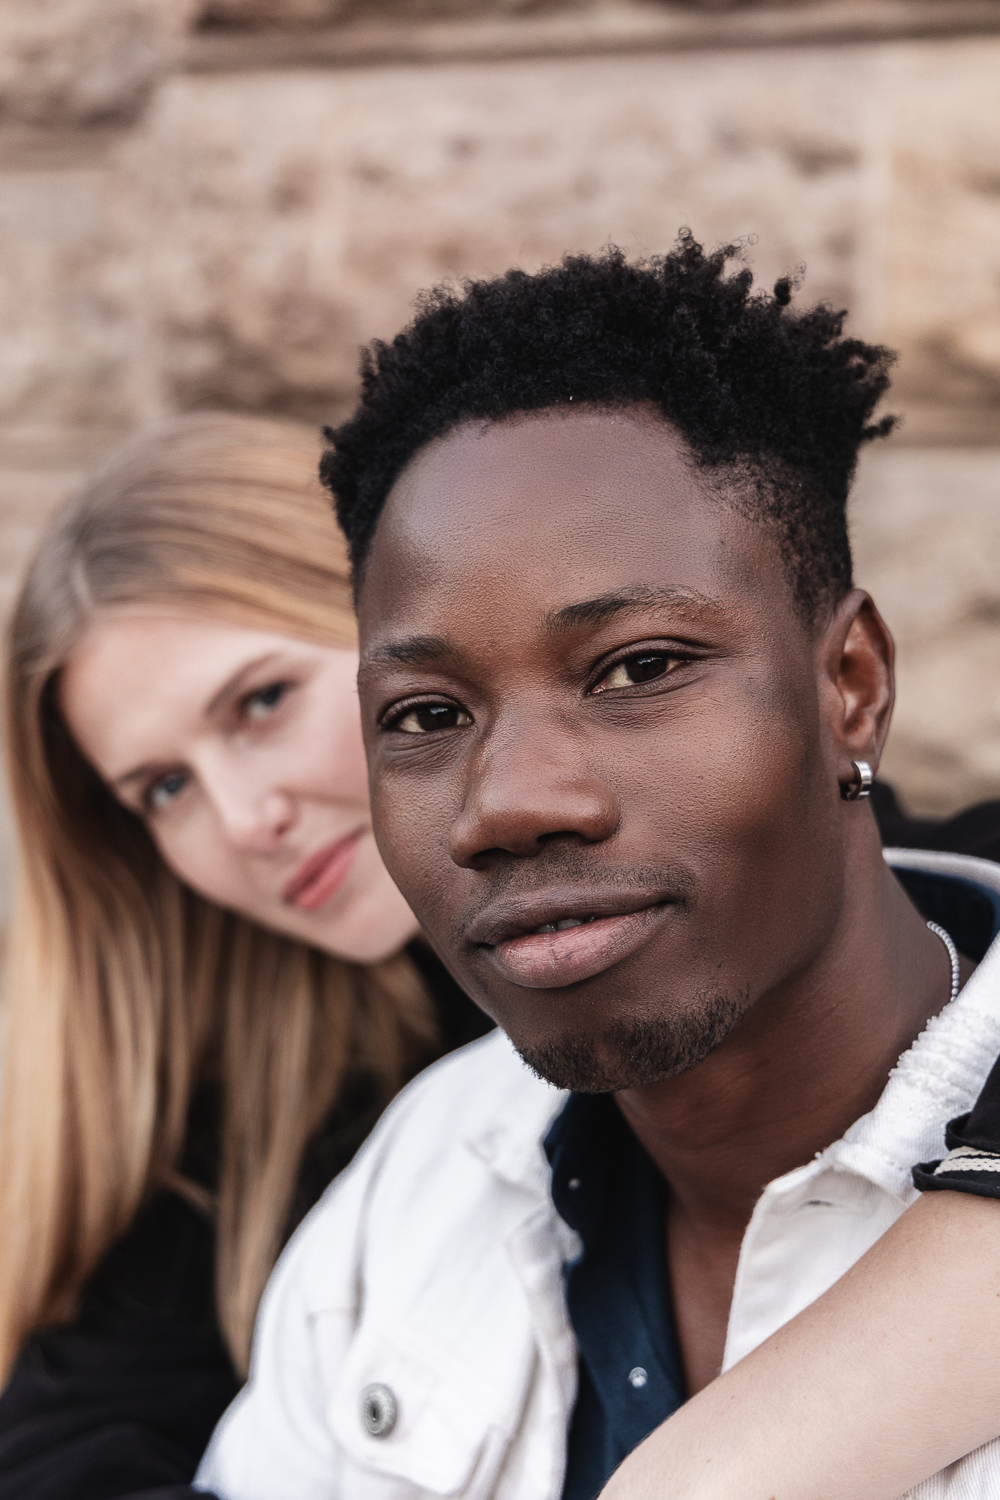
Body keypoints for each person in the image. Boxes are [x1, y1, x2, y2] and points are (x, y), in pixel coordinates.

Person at [194, 236, 1000, 1500]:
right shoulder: (428, 1172)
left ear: (848, 685)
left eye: (639, 668)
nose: (508, 806)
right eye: (425, 715)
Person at [0, 412, 490, 1500]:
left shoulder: (860, 900)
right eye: (164, 788)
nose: (242, 820)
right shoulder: (261, 1106)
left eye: (261, 702)